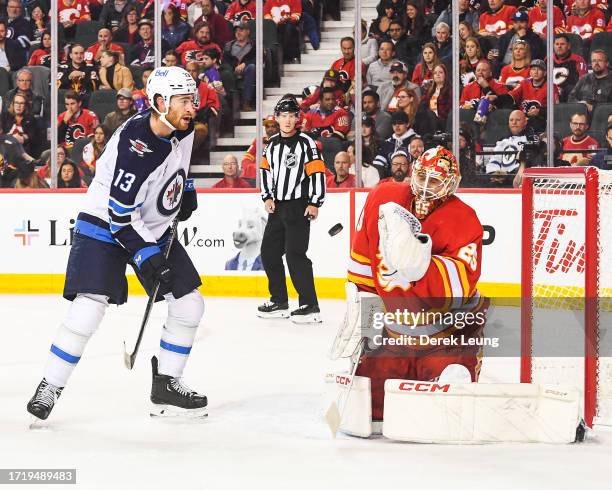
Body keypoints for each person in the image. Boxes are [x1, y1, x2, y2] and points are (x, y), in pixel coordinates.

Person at [27, 66, 207, 422]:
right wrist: (148, 257)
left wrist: (184, 189)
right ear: (159, 103)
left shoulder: (181, 127)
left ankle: (166, 384)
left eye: (192, 99)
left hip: (152, 226)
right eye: (184, 100)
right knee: (89, 306)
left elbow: (180, 161)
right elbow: (120, 218)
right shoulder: (136, 148)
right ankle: (50, 385)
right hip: (105, 224)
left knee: (189, 304)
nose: (192, 107)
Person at [346, 146, 486, 422]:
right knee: (368, 407)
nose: (424, 187)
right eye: (421, 176)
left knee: (449, 400)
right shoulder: (383, 198)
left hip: (446, 335)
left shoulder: (464, 219)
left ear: (451, 184)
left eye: (434, 180)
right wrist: (363, 323)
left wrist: (418, 265)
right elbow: (362, 263)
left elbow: (458, 288)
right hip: (394, 334)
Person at [257, 95, 325, 324]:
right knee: (269, 253)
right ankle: (279, 301)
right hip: (277, 207)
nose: (287, 120)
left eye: (291, 116)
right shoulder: (272, 144)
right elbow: (265, 172)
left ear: (298, 118)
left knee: (296, 255)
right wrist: (266, 197)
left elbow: (317, 173)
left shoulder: (306, 143)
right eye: (283, 116)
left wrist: (315, 202)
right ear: (276, 118)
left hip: (299, 206)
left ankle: (309, 304)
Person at [241, 115, 279, 183]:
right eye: (267, 126)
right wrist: (251, 167)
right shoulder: (258, 141)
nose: (270, 129)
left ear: (278, 127)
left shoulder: (283, 142)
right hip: (255, 177)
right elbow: (246, 158)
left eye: (273, 126)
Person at [0, 93, 38, 158]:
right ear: (13, 104)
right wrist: (12, 138)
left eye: (21, 103)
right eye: (16, 103)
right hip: (5, 147)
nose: (18, 106)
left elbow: (32, 137)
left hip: (23, 148)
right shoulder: (5, 116)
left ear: (26, 106)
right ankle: (31, 160)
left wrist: (23, 138)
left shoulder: (31, 119)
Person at [553, 34, 587, 103]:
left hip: (571, 94)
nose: (559, 46)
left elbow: (583, 81)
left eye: (562, 44)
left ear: (568, 46)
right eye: (557, 44)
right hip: (551, 92)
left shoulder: (578, 60)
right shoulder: (548, 59)